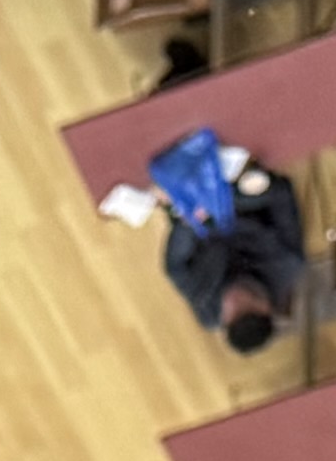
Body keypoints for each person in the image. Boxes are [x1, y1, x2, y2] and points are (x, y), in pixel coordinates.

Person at [106, 126, 309, 354]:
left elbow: (176, 268)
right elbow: (281, 193)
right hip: (236, 174)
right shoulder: (288, 261)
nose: (231, 303)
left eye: (230, 314)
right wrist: (217, 204)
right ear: (264, 307)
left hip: (185, 204)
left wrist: (189, 222)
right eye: (243, 306)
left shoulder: (210, 313)